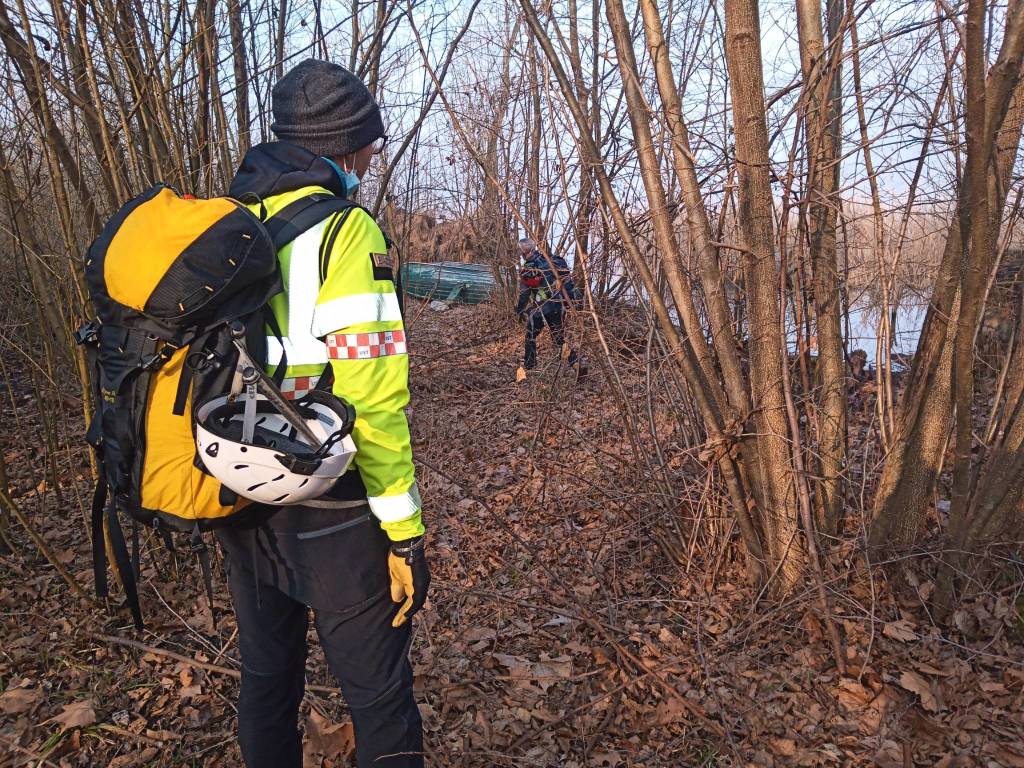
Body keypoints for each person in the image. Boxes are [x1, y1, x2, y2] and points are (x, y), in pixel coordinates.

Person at [218, 59, 429, 768]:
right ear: (346, 146)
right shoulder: (347, 234)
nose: (373, 155)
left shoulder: (235, 219)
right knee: (379, 702)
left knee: (268, 681)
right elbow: (374, 399)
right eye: (369, 143)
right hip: (331, 506)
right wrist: (404, 535)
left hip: (240, 486)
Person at [515, 237, 583, 372]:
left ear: (523, 252)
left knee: (530, 334)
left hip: (543, 307)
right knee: (558, 338)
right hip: (558, 305)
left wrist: (519, 311)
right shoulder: (550, 261)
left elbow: (524, 294)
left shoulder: (528, 269)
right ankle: (577, 363)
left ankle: (529, 365)